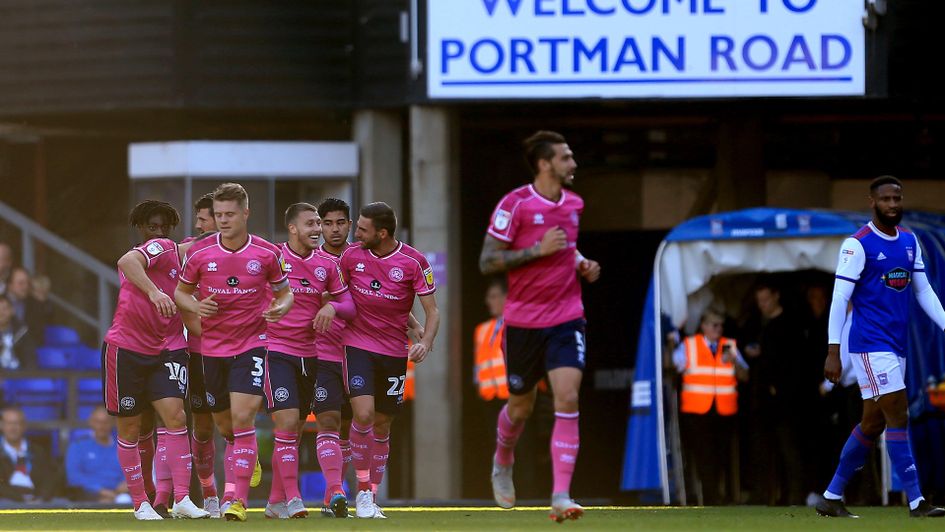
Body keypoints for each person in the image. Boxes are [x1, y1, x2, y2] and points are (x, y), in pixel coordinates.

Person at [479, 130, 600, 522]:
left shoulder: (574, 204)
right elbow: (487, 261)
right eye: (565, 157)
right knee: (521, 407)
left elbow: (567, 247)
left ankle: (561, 495)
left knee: (567, 397)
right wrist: (537, 250)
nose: (573, 163)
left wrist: (580, 262)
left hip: (567, 317)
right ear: (545, 164)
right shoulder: (514, 204)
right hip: (523, 322)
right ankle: (503, 459)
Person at [817, 176, 945, 519]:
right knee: (898, 414)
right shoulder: (857, 244)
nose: (892, 204)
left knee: (872, 423)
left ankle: (831, 495)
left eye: (896, 199)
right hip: (870, 345)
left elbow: (923, 291)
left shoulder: (910, 241)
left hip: (896, 345)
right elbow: (839, 298)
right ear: (872, 202)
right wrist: (833, 350)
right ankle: (917, 501)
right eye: (885, 199)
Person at [174, 182, 293, 522]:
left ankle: (237, 499)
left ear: (245, 213)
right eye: (219, 215)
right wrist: (196, 305)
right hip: (211, 349)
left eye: (229, 214)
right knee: (225, 426)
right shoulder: (200, 254)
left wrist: (281, 307)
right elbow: (180, 293)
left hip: (251, 344)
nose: (223, 220)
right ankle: (245, 454)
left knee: (243, 418)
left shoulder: (267, 253)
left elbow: (285, 293)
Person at [103, 199, 208, 520]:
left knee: (176, 418)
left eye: (164, 227)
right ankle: (141, 502)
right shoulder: (160, 249)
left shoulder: (195, 268)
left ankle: (182, 498)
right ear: (140, 228)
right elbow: (125, 260)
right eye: (152, 227)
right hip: (127, 348)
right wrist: (154, 292)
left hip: (169, 348)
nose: (158, 233)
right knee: (133, 427)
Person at [339, 201, 440, 519]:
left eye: (362, 229)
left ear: (382, 233)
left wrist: (424, 340)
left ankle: (372, 495)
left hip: (394, 351)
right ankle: (361, 492)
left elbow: (433, 311)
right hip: (356, 345)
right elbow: (337, 295)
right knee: (363, 415)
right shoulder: (350, 256)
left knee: (383, 423)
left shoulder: (413, 261)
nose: (356, 233)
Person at [263, 203, 354, 519]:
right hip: (276, 351)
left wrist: (332, 307)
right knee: (288, 424)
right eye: (311, 224)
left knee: (298, 429)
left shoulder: (327, 264)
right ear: (292, 228)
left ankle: (277, 501)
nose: (318, 230)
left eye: (319, 224)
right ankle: (293, 499)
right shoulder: (272, 257)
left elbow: (349, 305)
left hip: (311, 355)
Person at [673, 308, 748, 506]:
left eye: (721, 325)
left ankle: (718, 495)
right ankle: (710, 497)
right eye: (714, 325)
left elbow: (745, 375)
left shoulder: (729, 345)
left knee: (721, 455)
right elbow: (673, 365)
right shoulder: (690, 345)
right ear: (704, 326)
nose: (718, 329)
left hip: (724, 410)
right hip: (697, 410)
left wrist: (734, 362)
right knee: (703, 455)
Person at [180, 193, 224, 517]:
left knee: (238, 423)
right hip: (199, 353)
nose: (197, 225)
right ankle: (210, 494)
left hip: (239, 351)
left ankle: (236, 494)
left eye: (203, 219)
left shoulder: (249, 254)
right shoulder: (187, 250)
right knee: (204, 427)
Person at [65, 406, 129, 503]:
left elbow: (131, 471)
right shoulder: (78, 446)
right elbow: (74, 477)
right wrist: (100, 491)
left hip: (119, 494)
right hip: (89, 495)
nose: (101, 426)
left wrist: (127, 483)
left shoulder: (123, 447)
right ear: (91, 422)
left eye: (105, 422)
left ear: (113, 423)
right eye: (98, 422)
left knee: (125, 500)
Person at [0, 406, 60, 503]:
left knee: (61, 503)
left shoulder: (38, 451)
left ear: (24, 426)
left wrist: (41, 498)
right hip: (7, 502)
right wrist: (22, 499)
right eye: (9, 423)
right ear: (1, 425)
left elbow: (50, 479)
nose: (13, 428)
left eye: (17, 423)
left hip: (37, 501)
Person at [475, 278, 509, 403]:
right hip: (487, 396)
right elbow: (478, 364)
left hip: (510, 395)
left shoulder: (516, 325)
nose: (488, 301)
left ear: (506, 297)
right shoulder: (481, 329)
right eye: (488, 297)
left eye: (493, 296)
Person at [4, 267, 47, 349]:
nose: (25, 287)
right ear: (9, 285)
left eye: (28, 283)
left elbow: (37, 335)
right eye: (21, 283)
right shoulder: (1, 302)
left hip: (28, 350)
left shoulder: (35, 304)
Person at [0, 295, 35, 370]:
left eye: (4, 309)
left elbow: (30, 358)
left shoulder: (22, 332)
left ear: (12, 311)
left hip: (20, 374)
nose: (1, 313)